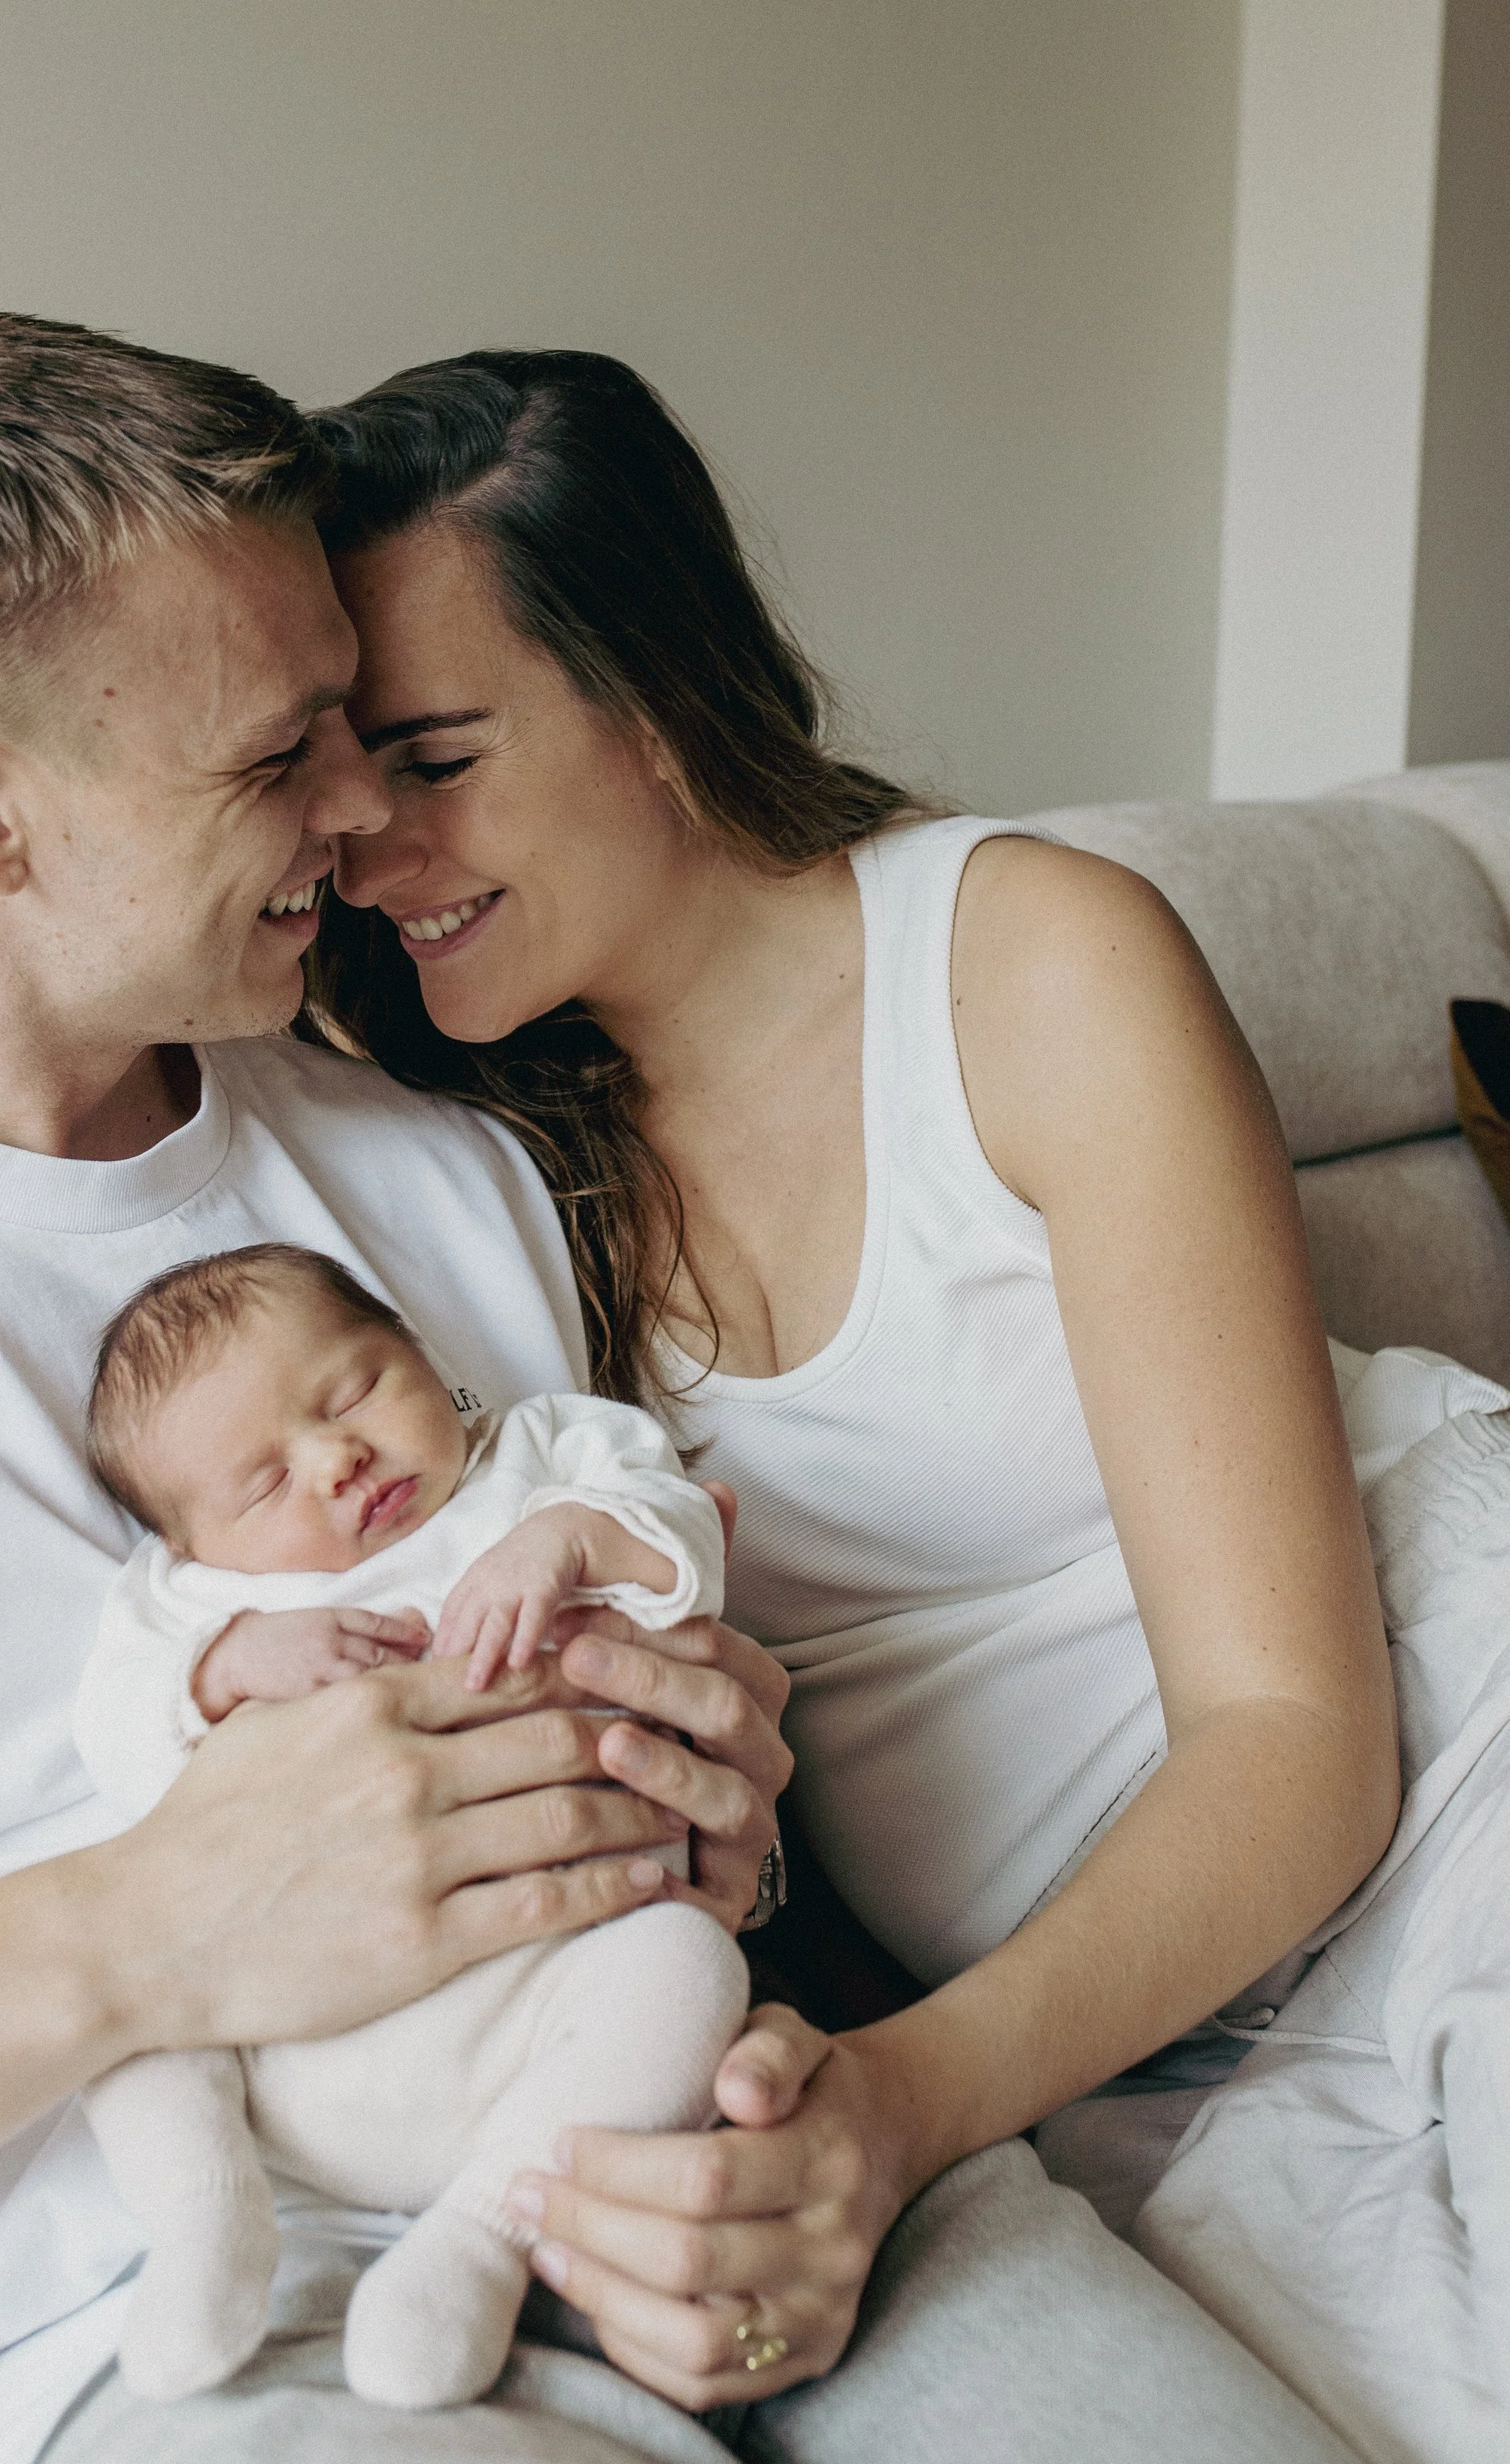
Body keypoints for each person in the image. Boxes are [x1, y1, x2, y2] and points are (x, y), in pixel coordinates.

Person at [0, 311, 1351, 2464]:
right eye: (276, 758)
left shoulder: (437, 1160)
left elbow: (675, 1654)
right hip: (138, 2332)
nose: (354, 816)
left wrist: (720, 1788)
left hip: (650, 2124)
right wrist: (139, 1930)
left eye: (367, 733)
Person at [304, 345, 1415, 2438]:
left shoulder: (1028, 963)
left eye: (433, 756)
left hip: (1414, 1793)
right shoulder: (461, 1148)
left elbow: (1294, 1733)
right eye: (339, 776)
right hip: (1111, 2022)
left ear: (644, 691)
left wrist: (901, 2096)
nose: (369, 843)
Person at [71, 1240, 744, 2411]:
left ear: (427, 1356)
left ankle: (481, 2239)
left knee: (691, 1969)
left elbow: (684, 1546)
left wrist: (571, 1540)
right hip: (291, 2036)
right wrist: (222, 1666)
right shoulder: (194, 1603)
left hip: (552, 1992)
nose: (338, 1457)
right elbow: (113, 1733)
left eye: (353, 1391)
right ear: (187, 1547)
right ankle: (211, 2224)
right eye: (264, 1483)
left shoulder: (542, 1461)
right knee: (117, 2000)